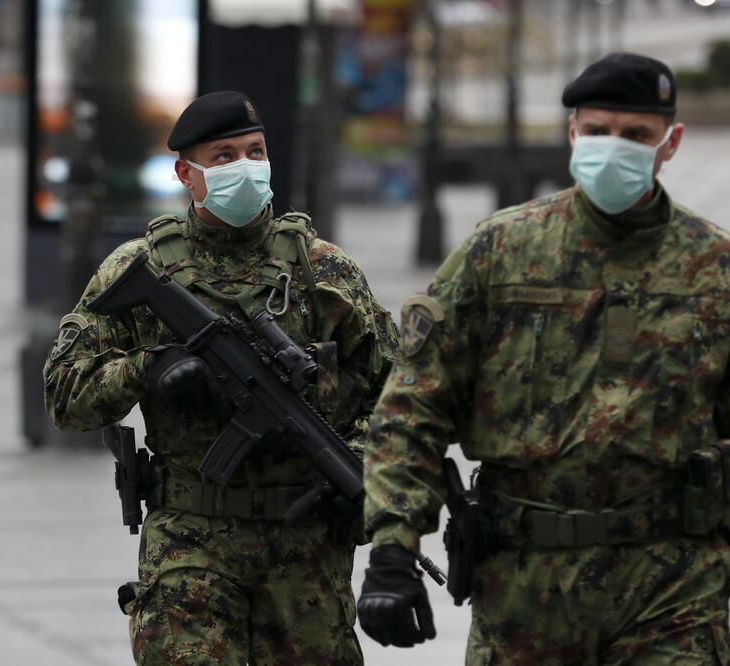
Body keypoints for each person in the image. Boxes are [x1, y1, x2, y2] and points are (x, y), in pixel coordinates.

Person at [358, 52, 730, 664]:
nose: (615, 147)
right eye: (598, 130)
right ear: (571, 133)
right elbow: (414, 406)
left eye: (636, 135)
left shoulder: (713, 267)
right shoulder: (499, 252)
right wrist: (393, 548)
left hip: (673, 584)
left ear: (671, 142)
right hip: (525, 589)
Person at [44, 91, 399, 665]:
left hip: (304, 552)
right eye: (225, 155)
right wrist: (147, 369)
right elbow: (63, 397)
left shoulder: (324, 270)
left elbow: (399, 396)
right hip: (190, 545)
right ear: (188, 173)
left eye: (255, 152)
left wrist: (356, 463)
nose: (245, 168)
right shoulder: (143, 270)